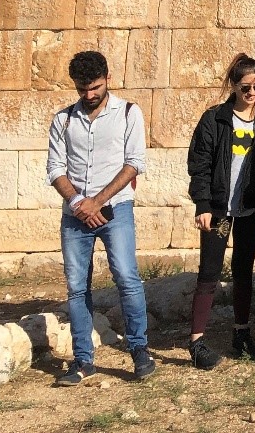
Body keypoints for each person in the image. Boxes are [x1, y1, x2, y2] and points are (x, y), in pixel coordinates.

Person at [46, 50, 155, 385]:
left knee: (126, 276)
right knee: (77, 287)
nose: (89, 95)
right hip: (75, 214)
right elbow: (55, 169)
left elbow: (134, 162)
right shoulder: (63, 119)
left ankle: (139, 350)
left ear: (108, 78)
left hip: (116, 208)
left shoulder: (127, 113)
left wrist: (97, 201)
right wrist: (80, 202)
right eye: (82, 89)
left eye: (94, 87)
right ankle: (82, 360)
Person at [185, 53, 255, 369]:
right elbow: (199, 164)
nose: (252, 94)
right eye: (246, 87)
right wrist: (203, 205)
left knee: (243, 269)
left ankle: (241, 333)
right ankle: (196, 341)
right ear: (234, 86)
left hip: (250, 207)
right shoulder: (215, 118)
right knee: (210, 271)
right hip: (220, 210)